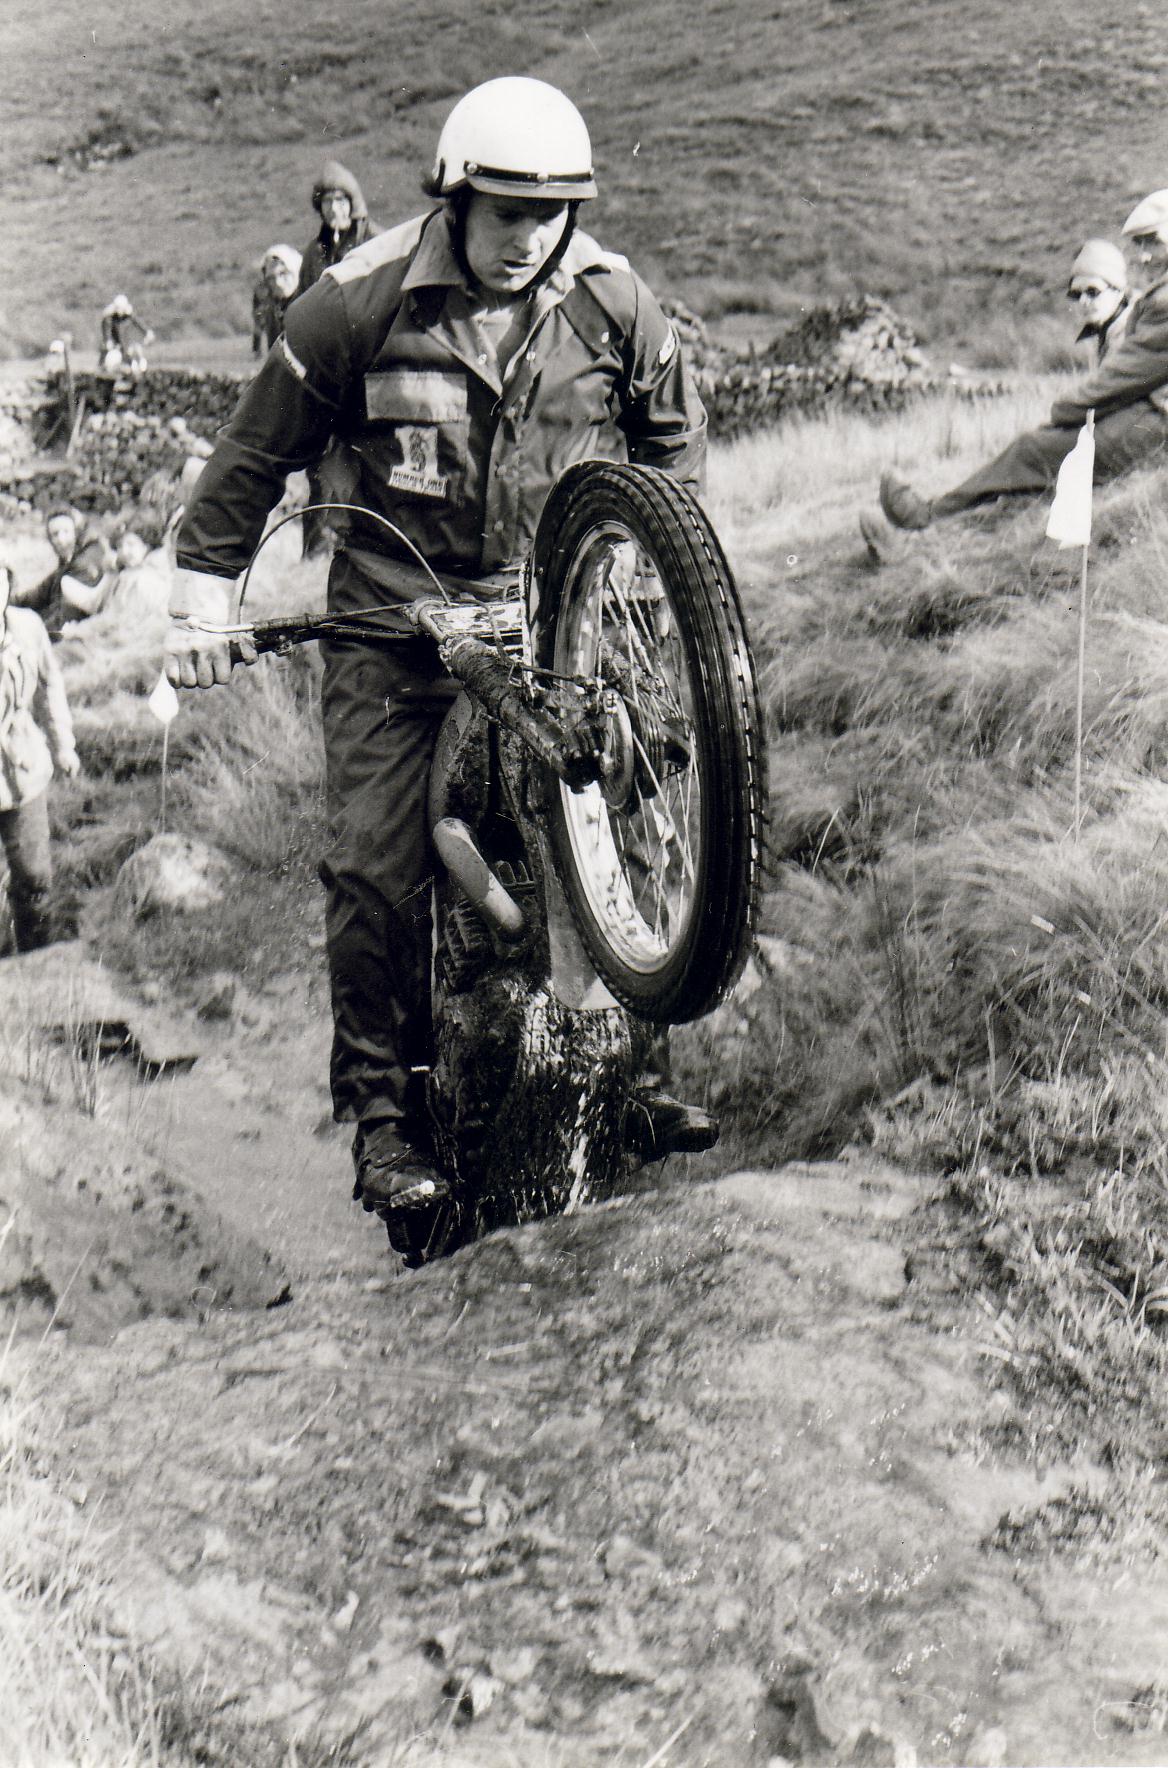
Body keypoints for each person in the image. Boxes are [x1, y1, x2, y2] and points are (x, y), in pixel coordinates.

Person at [164, 76, 715, 1230]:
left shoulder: (613, 304)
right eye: (506, 211)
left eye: (551, 213)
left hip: (552, 618)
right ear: (454, 197)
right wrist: (201, 606)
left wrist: (648, 567)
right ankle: (385, 1121)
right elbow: (249, 460)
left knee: (626, 802)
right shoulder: (354, 301)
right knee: (373, 864)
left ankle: (649, 1073)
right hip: (391, 625)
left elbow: (673, 437)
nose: (529, 238)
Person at [862, 197, 1168, 556]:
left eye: (1152, 241)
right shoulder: (1155, 298)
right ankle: (930, 529)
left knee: (1032, 450)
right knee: (1037, 458)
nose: (1144, 255)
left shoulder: (1163, 303)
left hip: (1156, 426)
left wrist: (1064, 411)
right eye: (1140, 245)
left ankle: (923, 522)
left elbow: (1123, 377)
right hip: (1149, 418)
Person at [0, 562, 80, 954]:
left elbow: (50, 688)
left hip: (23, 767)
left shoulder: (27, 627)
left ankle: (36, 954)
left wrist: (63, 743)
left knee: (34, 875)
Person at [16, 506, 115, 641]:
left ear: (76, 532)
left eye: (66, 532)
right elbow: (41, 592)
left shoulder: (85, 563)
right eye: (55, 534)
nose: (61, 540)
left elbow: (66, 615)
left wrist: (26, 634)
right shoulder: (69, 560)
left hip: (77, 636)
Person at [296, 161, 377, 294]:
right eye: (327, 201)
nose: (333, 208)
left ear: (352, 203)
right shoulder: (313, 252)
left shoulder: (373, 239)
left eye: (340, 200)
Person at [252, 245, 303, 357]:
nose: (278, 283)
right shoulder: (273, 311)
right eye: (271, 278)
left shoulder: (309, 305)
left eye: (284, 274)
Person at [98, 295, 154, 375]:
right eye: (118, 308)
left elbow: (139, 323)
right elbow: (106, 331)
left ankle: (137, 371)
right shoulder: (109, 318)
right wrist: (108, 341)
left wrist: (147, 333)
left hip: (125, 344)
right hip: (114, 346)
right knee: (110, 361)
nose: (120, 310)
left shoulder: (129, 316)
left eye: (121, 308)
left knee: (134, 356)